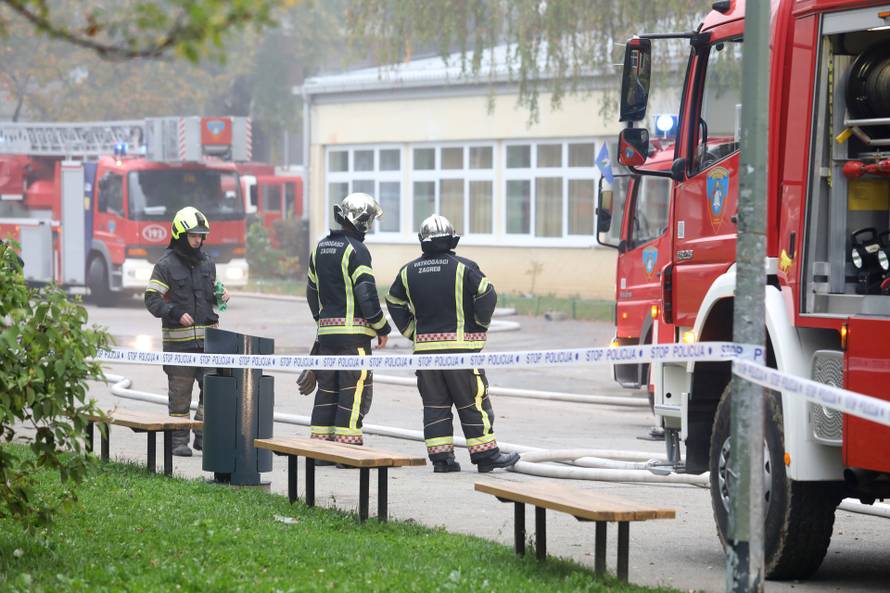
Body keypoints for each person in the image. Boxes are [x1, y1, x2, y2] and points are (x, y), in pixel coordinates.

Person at [386, 214, 519, 473]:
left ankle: (442, 460)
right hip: (461, 352)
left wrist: (412, 332)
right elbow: (487, 293)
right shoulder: (464, 267)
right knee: (472, 403)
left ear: (423, 241)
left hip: (426, 354)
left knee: (435, 406)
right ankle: (486, 455)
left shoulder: (408, 271)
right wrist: (479, 325)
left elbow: (393, 301)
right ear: (451, 239)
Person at [305, 192, 391, 447]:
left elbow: (311, 291)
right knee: (353, 392)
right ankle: (347, 447)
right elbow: (366, 293)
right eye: (369, 221)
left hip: (326, 338)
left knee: (326, 392)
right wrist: (381, 327)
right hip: (353, 339)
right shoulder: (357, 250)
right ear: (360, 221)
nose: (369, 226)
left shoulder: (319, 248)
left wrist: (321, 321)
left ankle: (320, 449)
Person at [145, 206, 228, 457]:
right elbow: (152, 299)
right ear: (180, 234)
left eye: (201, 236)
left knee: (213, 392)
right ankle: (178, 441)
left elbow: (209, 297)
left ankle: (203, 437)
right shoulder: (165, 266)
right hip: (179, 346)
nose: (198, 240)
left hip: (209, 344)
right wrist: (175, 313)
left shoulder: (207, 263)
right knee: (180, 396)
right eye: (193, 235)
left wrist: (221, 295)